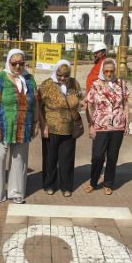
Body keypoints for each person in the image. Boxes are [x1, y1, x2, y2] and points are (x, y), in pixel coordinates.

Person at [0, 49, 40, 206]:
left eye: (21, 63)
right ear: (8, 62)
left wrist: (36, 123)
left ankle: (16, 192)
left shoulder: (29, 79)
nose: (17, 67)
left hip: (23, 126)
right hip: (1, 126)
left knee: (19, 160)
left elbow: (35, 102)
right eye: (14, 63)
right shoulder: (0, 78)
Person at [83, 58, 130, 195]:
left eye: (111, 71)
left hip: (118, 127)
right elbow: (89, 105)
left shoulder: (121, 84)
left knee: (113, 156)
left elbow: (126, 104)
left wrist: (127, 122)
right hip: (100, 126)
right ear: (103, 71)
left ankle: (108, 183)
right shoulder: (96, 85)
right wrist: (91, 125)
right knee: (97, 156)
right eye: (106, 71)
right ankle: (93, 182)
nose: (109, 73)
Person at [38, 59, 82, 197]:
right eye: (59, 75)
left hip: (69, 129)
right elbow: (38, 107)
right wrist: (42, 125)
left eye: (66, 75)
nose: (62, 78)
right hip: (50, 129)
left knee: (67, 159)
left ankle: (66, 186)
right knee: (50, 158)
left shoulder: (74, 83)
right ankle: (49, 184)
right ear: (55, 72)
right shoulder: (47, 84)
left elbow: (79, 100)